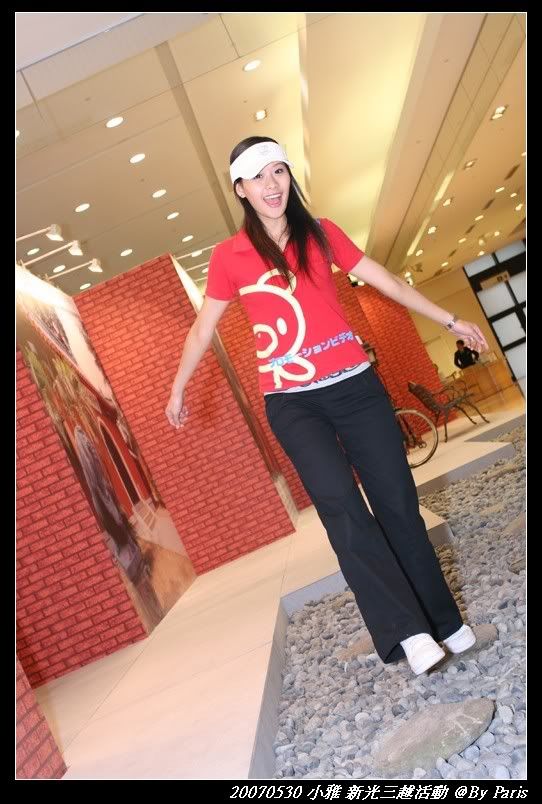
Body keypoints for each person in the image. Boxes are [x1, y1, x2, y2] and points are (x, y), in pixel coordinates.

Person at [166, 136, 489, 675]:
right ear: (240, 189)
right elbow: (204, 327)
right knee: (343, 509)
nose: (272, 185)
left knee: (397, 502)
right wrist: (179, 386)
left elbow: (386, 280)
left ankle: (444, 619)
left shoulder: (321, 232)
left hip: (356, 388)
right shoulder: (229, 257)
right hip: (293, 403)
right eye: (258, 177)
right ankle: (408, 632)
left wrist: (450, 320)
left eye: (278, 171)